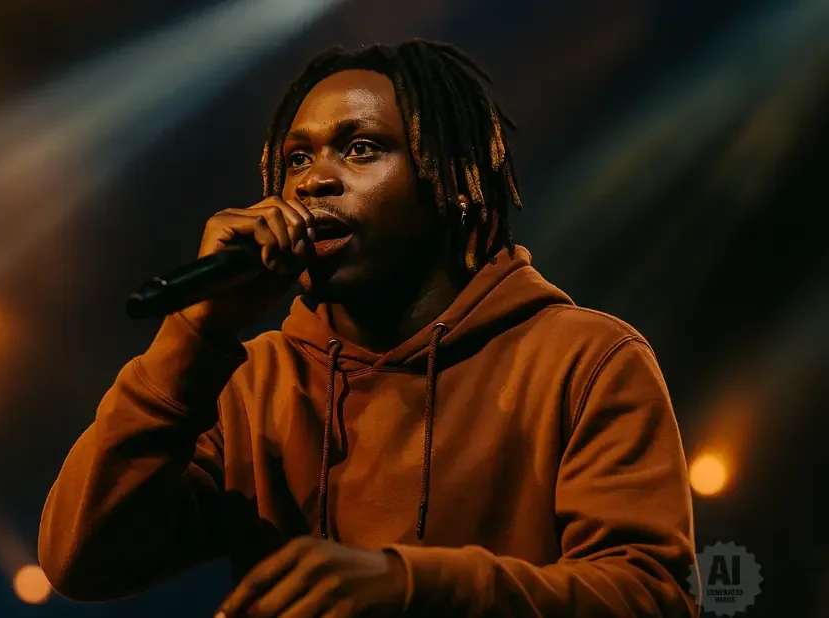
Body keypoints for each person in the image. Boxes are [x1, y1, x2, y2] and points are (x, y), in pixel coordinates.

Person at [38, 39, 699, 617]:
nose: (316, 181)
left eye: (361, 150)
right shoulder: (252, 382)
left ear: (453, 182)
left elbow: (649, 597)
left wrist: (411, 588)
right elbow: (81, 560)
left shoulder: (587, 359)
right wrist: (193, 336)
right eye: (297, 160)